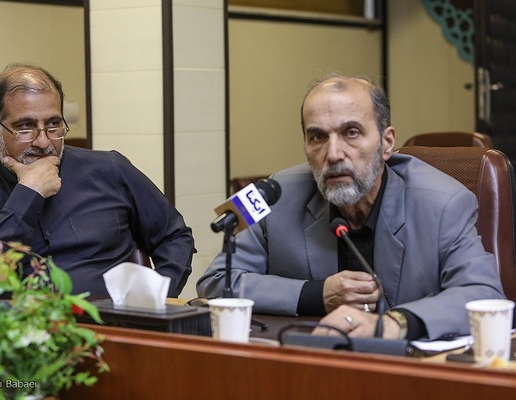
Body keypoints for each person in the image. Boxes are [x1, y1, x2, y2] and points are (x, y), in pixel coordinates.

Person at [197, 73, 506, 340]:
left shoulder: (446, 201)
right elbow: (215, 281)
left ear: (386, 142)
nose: (333, 154)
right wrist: (316, 294)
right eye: (317, 136)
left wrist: (392, 324)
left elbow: (484, 293)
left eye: (351, 133)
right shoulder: (272, 193)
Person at [0, 63, 195, 297]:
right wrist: (28, 193)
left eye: (53, 124)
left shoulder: (110, 170)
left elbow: (174, 236)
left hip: (117, 324)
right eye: (26, 126)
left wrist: (156, 298)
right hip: (25, 327)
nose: (43, 142)